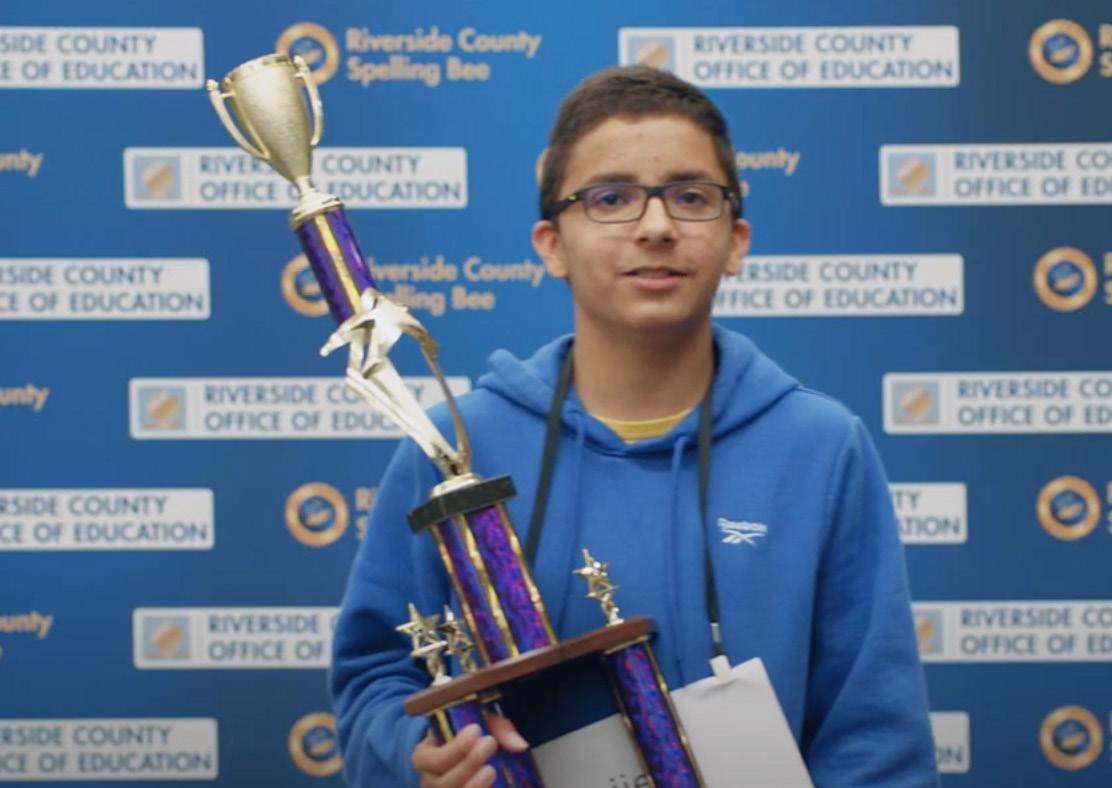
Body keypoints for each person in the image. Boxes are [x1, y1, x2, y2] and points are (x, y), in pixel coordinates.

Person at [330, 66, 938, 788]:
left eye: (690, 196)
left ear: (736, 240)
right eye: (611, 198)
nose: (655, 227)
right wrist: (417, 757)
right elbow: (378, 676)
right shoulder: (453, 447)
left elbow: (874, 732)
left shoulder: (821, 447)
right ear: (551, 244)